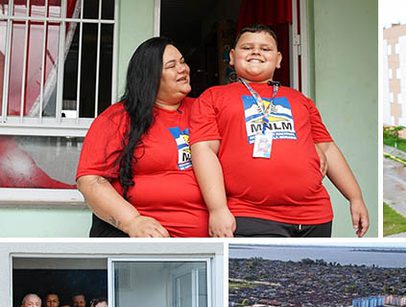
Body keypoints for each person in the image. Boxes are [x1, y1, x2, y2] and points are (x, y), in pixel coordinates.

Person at [190, 24, 369, 238]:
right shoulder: (213, 97)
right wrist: (217, 209)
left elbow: (328, 148)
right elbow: (204, 151)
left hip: (315, 215)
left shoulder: (299, 99)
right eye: (247, 47)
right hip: (251, 214)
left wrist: (355, 197)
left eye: (265, 49)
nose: (256, 51)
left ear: (279, 59)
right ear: (232, 56)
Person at [77, 37, 208, 237]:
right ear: (150, 76)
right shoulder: (117, 118)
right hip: (140, 239)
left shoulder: (205, 110)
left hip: (204, 244)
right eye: (171, 65)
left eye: (182, 61)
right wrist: (133, 222)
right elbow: (91, 180)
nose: (183, 69)